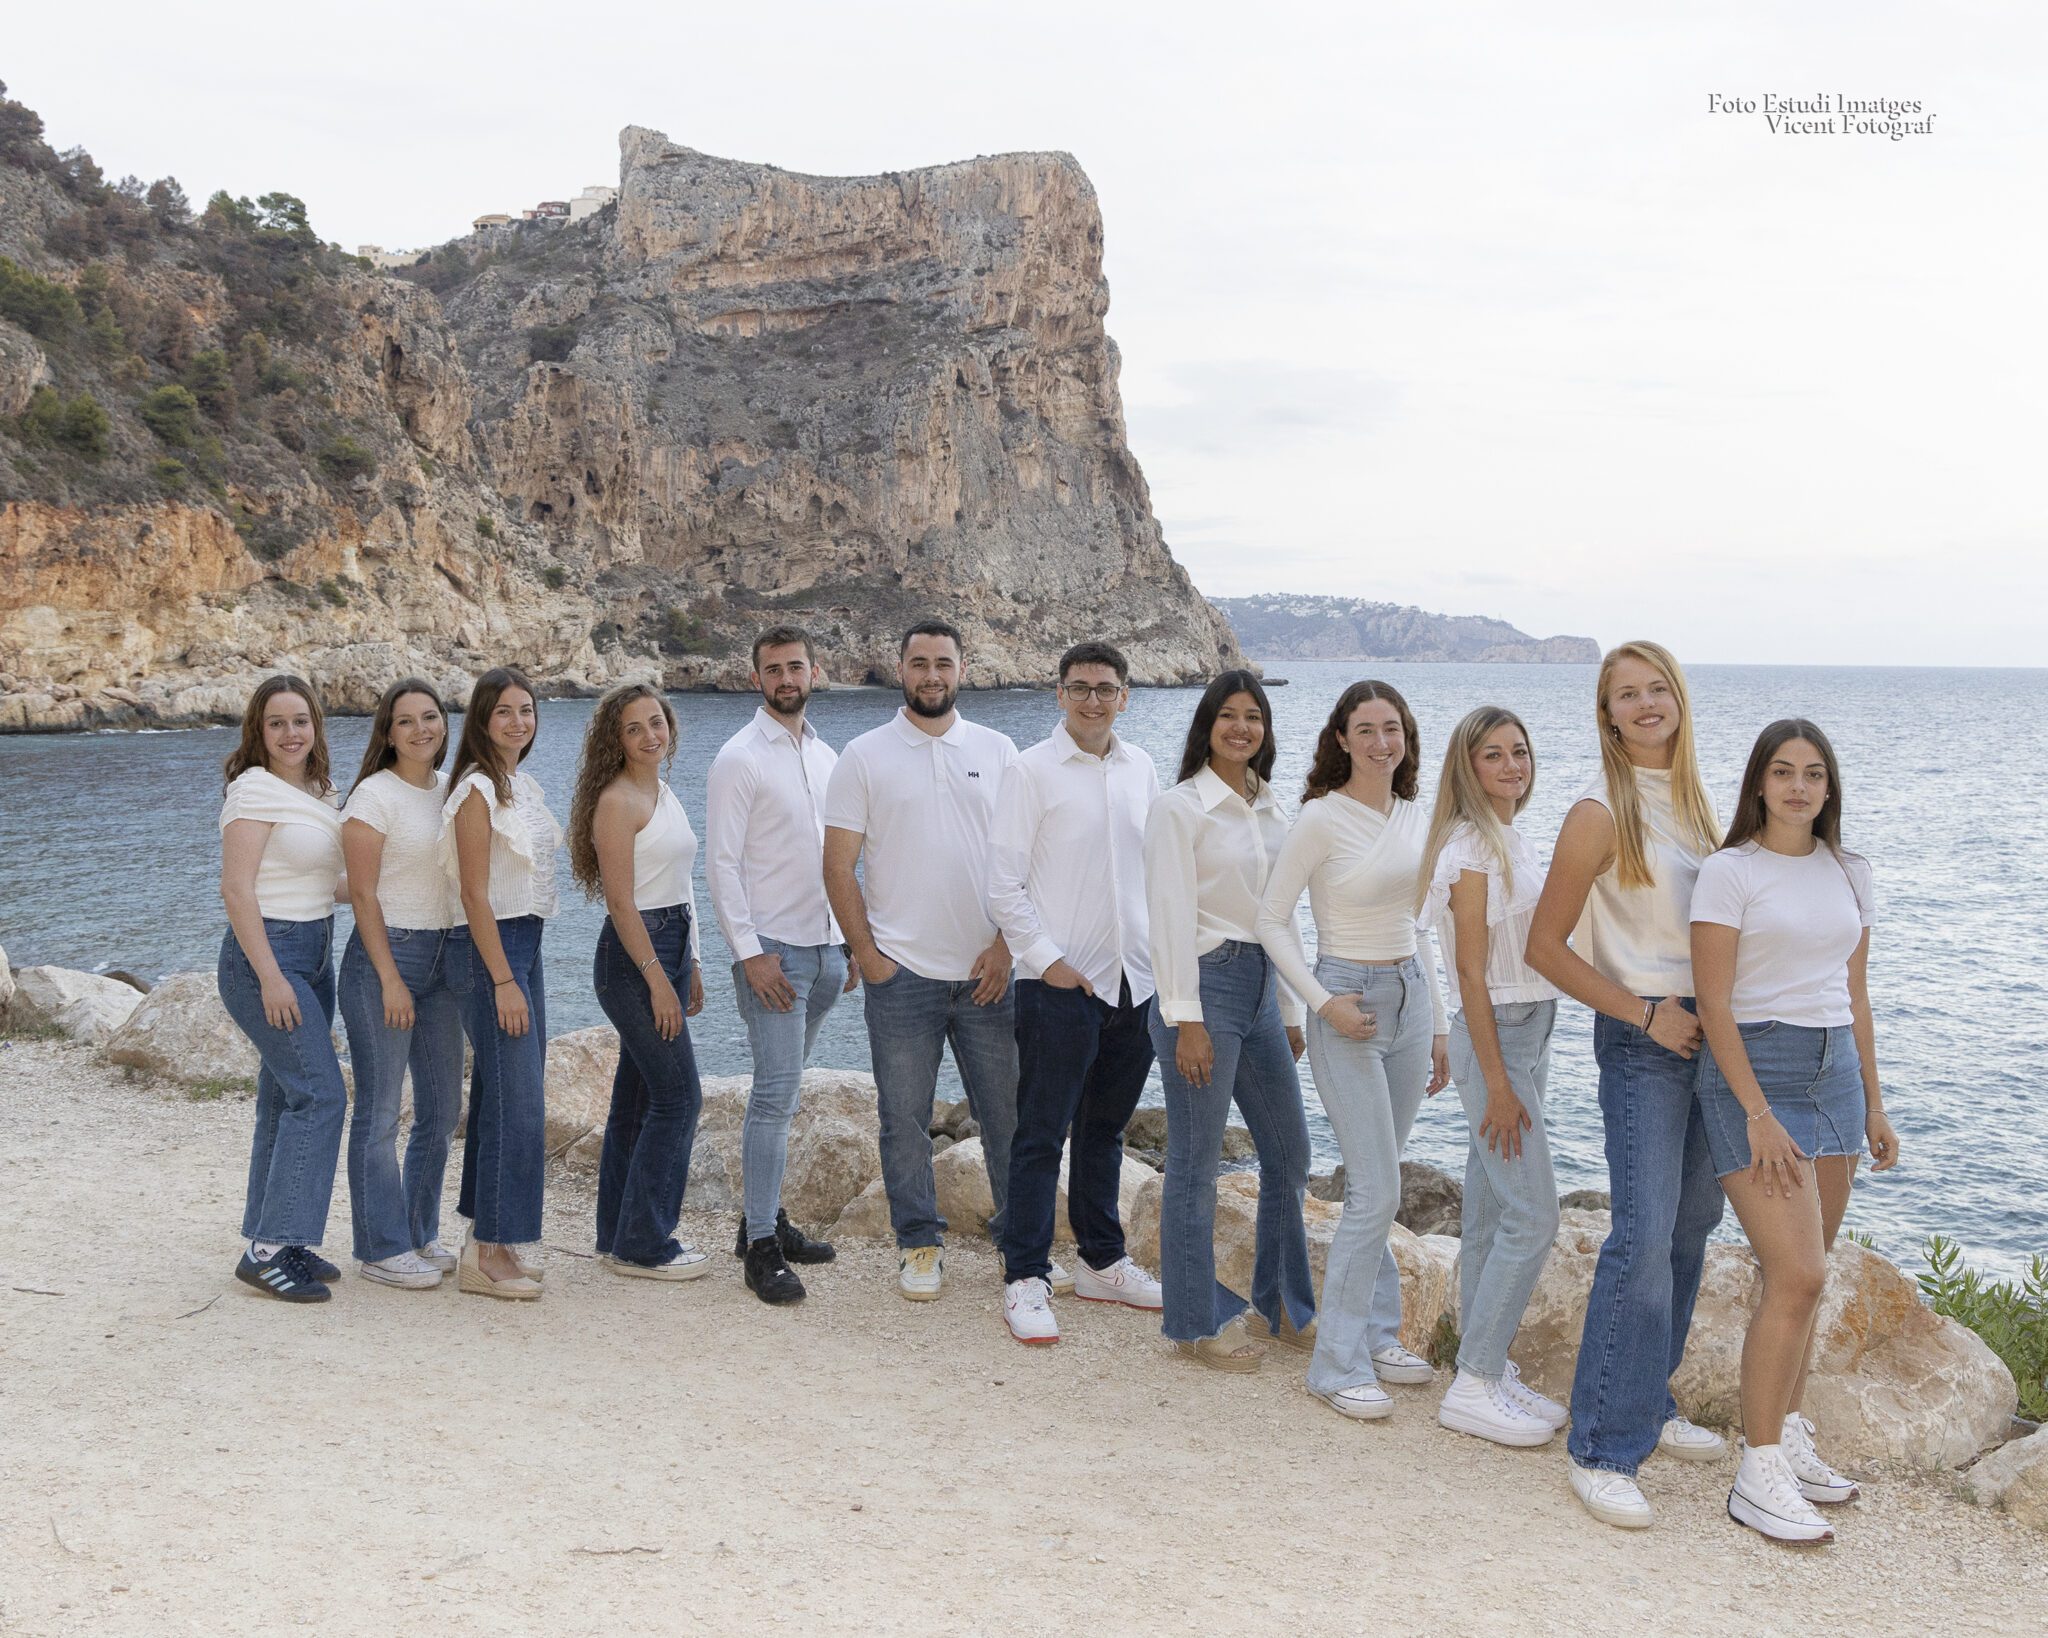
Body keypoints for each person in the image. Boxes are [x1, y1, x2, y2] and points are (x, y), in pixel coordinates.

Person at [1526, 640, 1727, 1529]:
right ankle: (1605, 1445)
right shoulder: (1598, 812)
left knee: (1691, 1231)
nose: (1645, 705)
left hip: (1712, 1038)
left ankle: (1653, 1403)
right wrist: (1646, 1015)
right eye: (1626, 695)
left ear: (1678, 700)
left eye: (1658, 690)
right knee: (1641, 1239)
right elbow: (1545, 947)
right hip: (1644, 1038)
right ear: (1606, 715)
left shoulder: (1696, 805)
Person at [1691, 719, 1899, 1543]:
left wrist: (1875, 1103)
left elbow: (1855, 994)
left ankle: (1790, 1430)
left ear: (1829, 787)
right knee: (1799, 1274)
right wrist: (1757, 1112)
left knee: (1805, 1280)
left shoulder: (1850, 870)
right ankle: (1759, 1470)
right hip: (1758, 1073)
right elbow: (1712, 1004)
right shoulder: (1728, 872)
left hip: (1835, 1073)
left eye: (1814, 774)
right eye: (1784, 772)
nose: (1800, 787)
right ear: (1759, 784)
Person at [1255, 681, 1448, 1417]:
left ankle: (1374, 1331)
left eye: (1391, 728)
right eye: (1364, 729)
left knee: (1382, 1178)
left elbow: (1425, 924)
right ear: (1340, 738)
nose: (1379, 742)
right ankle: (1334, 1365)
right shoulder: (1319, 818)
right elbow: (1273, 921)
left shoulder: (1413, 816)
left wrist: (1440, 1028)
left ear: (1406, 736)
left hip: (1409, 997)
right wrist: (1321, 1002)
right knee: (1375, 1188)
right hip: (1347, 1001)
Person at [823, 619, 1020, 1303]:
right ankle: (918, 1243)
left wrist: (1007, 944)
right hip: (900, 976)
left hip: (987, 975)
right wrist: (868, 955)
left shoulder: (998, 752)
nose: (931, 675)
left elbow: (1028, 861)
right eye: (919, 663)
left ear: (964, 668)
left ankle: (1018, 1249)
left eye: (943, 662)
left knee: (1007, 1116)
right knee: (902, 1118)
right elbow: (837, 866)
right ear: (899, 668)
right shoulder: (864, 755)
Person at [986, 641, 1164, 1345]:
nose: (1094, 699)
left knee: (1104, 1131)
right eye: (1081, 686)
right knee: (1040, 1135)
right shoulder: (1029, 772)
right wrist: (1046, 959)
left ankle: (1101, 1260)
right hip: (1060, 984)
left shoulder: (1143, 768)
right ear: (1059, 694)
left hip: (1134, 983)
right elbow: (1003, 883)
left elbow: (1154, 870)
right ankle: (1025, 1275)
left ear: (1126, 696)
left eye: (1107, 687)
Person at [1146, 670, 1313, 1371]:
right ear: (1207, 725)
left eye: (1254, 717)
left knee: (1289, 1152)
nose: (1242, 728)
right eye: (1229, 716)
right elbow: (1168, 919)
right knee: (1194, 1163)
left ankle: (1281, 1305)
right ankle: (1195, 1323)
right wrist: (1186, 1019)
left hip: (1260, 989)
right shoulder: (1179, 808)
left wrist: (1292, 1007)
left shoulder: (1274, 812)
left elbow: (1281, 916)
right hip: (1202, 987)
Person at [1416, 707, 1567, 1444]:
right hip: (1497, 1037)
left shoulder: (1511, 837)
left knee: (1487, 1217)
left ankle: (1484, 1366)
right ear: (1467, 768)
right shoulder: (1472, 846)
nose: (1511, 765)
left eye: (1520, 751)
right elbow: (1470, 972)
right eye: (1493, 756)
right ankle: (1474, 1380)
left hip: (1530, 1027)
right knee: (1536, 1213)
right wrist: (1499, 1084)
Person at [706, 626, 854, 1305]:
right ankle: (761, 1249)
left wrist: (851, 942)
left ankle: (760, 1222)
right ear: (756, 678)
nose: (786, 678)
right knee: (771, 1098)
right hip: (774, 957)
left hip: (826, 955)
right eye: (773, 669)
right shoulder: (739, 758)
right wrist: (751, 953)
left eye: (796, 666)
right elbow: (722, 866)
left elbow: (850, 858)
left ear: (815, 672)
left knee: (787, 1095)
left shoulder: (828, 757)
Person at [568, 682, 710, 1282]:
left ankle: (616, 1236)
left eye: (657, 722)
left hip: (672, 946)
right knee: (680, 1097)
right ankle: (647, 1243)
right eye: (635, 728)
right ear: (615, 741)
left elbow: (681, 887)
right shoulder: (618, 801)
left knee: (636, 1100)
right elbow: (622, 904)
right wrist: (658, 981)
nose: (651, 735)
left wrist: (693, 963)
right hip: (633, 960)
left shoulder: (665, 791)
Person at [218, 675, 349, 1302]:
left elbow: (331, 883)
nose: (291, 732)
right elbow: (237, 890)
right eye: (277, 722)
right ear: (258, 731)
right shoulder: (253, 790)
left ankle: (278, 1235)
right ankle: (269, 1250)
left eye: (301, 720)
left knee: (284, 1098)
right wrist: (270, 976)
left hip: (314, 952)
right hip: (266, 958)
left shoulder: (319, 796)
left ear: (315, 727)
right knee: (322, 1096)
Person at [337, 678, 464, 1291]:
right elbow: (361, 894)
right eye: (406, 721)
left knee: (441, 1110)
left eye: (431, 717)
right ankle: (380, 1247)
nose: (422, 729)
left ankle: (418, 1231)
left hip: (444, 959)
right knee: (382, 1112)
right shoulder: (372, 796)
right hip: (385, 960)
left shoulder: (450, 790)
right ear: (387, 732)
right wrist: (389, 977)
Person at [441, 666, 562, 1301]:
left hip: (526, 942)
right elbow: (472, 893)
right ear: (483, 720)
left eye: (527, 710)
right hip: (492, 950)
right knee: (519, 1102)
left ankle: (488, 1238)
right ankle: (489, 1251)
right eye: (505, 712)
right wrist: (504, 980)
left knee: (500, 1095)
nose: (519, 722)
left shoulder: (521, 786)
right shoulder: (475, 792)